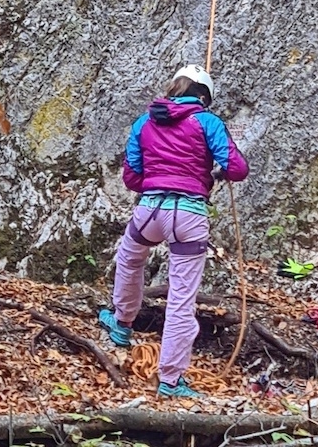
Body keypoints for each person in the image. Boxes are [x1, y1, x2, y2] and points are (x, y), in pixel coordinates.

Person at [98, 61, 248, 398]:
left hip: (150, 210)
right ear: (204, 97)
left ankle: (122, 324)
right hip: (188, 215)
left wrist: (158, 178)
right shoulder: (207, 121)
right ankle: (169, 381)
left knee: (130, 259)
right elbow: (237, 168)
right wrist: (212, 175)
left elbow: (132, 177)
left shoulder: (143, 122)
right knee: (181, 298)